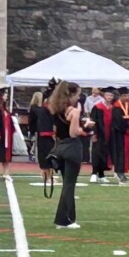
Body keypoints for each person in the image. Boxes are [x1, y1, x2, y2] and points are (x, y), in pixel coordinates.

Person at [50, 81, 86, 228]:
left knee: (67, 183)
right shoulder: (74, 111)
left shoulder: (56, 108)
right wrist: (85, 128)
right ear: (71, 94)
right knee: (69, 185)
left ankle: (66, 217)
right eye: (77, 94)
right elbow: (73, 132)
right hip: (72, 147)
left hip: (60, 146)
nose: (78, 97)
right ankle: (65, 219)